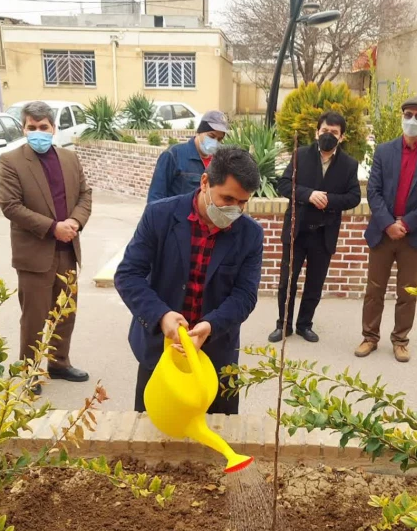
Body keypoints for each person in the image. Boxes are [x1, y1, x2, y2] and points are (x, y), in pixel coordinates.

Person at [115, 146, 263, 415]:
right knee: (151, 438)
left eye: (242, 202)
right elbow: (128, 275)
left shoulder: (250, 234)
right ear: (205, 182)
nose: (235, 209)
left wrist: (211, 325)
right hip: (159, 354)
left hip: (217, 358)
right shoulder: (159, 216)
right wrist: (161, 316)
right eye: (227, 199)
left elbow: (245, 295)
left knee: (216, 436)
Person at [0, 101, 93, 394]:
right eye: (32, 127)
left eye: (43, 127)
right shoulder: (11, 161)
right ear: (24, 128)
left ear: (53, 128)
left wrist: (75, 222)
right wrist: (54, 227)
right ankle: (29, 371)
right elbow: (10, 206)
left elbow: (84, 194)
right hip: (35, 253)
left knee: (65, 312)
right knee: (35, 316)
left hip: (67, 249)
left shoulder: (69, 158)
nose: (38, 132)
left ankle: (59, 362)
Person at [356, 96, 417, 363]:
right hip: (383, 232)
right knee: (374, 288)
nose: (413, 120)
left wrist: (405, 224)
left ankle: (400, 340)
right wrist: (388, 224)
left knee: (408, 291)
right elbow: (373, 191)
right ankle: (369, 337)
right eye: (408, 114)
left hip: (413, 233)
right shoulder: (384, 151)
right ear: (401, 116)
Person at [268, 111, 362, 343]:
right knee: (287, 281)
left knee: (314, 284)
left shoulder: (349, 165)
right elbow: (283, 184)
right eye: (325, 131)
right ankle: (284, 325)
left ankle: (304, 325)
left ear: (342, 137)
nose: (328, 136)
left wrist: (329, 200)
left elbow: (354, 197)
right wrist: (308, 195)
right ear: (316, 132)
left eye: (334, 133)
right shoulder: (300, 155)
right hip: (297, 231)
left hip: (324, 233)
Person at [146, 110, 229, 203]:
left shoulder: (219, 162)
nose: (215, 142)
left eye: (219, 139)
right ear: (199, 132)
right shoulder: (173, 155)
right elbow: (155, 198)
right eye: (211, 136)